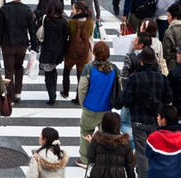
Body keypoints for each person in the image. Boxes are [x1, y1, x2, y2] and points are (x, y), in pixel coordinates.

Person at [122, 46, 173, 177]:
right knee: (155, 149)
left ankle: (143, 175)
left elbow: (126, 101)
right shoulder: (162, 78)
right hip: (156, 119)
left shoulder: (134, 79)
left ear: (141, 61)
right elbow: (168, 98)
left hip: (138, 120)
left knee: (141, 152)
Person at [77, 41, 122, 168]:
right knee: (106, 135)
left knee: (86, 132)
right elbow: (119, 87)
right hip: (106, 108)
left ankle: (85, 160)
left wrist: (83, 104)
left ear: (95, 53)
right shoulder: (114, 69)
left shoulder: (89, 68)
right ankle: (104, 159)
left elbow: (82, 89)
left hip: (90, 107)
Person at [0, 0, 37, 102]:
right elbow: (32, 31)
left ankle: (11, 94)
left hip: (7, 44)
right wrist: (34, 46)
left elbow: (0, 28)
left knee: (9, 70)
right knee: (19, 67)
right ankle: (18, 92)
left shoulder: (4, 9)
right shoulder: (27, 11)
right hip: (22, 45)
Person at [62, 2, 93, 104]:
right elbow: (89, 36)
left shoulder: (71, 22)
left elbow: (67, 36)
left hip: (72, 51)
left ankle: (65, 92)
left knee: (67, 70)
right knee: (80, 75)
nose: (72, 11)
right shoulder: (90, 24)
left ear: (79, 11)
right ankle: (78, 97)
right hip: (84, 53)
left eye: (73, 9)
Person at [146, 104, 181, 176]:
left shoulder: (153, 137)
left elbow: (148, 155)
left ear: (164, 120)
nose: (157, 118)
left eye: (158, 116)